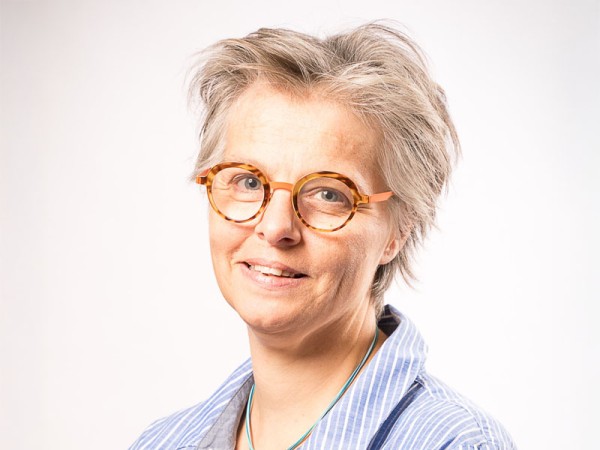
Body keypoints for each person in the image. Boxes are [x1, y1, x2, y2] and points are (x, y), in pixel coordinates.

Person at [130, 23, 516, 450]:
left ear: (399, 229)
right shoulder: (162, 442)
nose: (275, 227)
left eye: (329, 194)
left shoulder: (454, 443)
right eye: (248, 182)